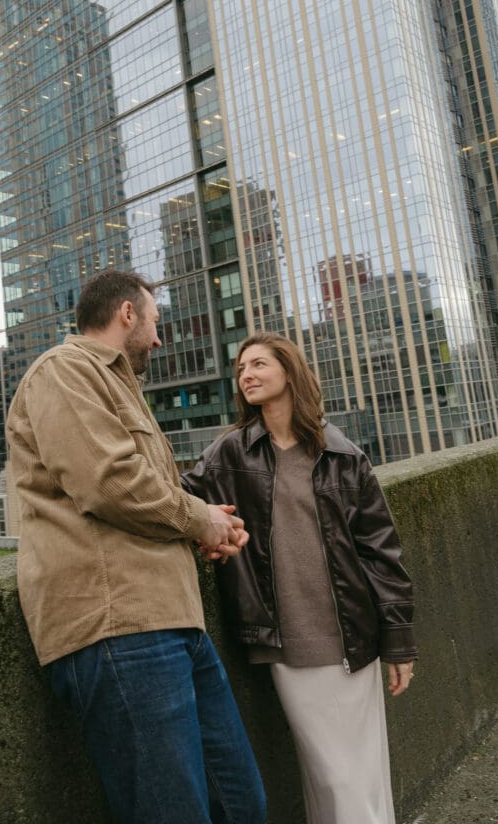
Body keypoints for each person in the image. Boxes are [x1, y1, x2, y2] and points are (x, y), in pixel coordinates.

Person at [6, 269, 266, 824]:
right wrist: (199, 520)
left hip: (173, 621)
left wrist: (203, 526)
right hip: (119, 629)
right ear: (127, 314)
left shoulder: (123, 390)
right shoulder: (64, 370)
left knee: (242, 803)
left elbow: (146, 496)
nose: (158, 338)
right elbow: (111, 483)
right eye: (154, 322)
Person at [182, 331, 417, 824]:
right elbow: (178, 496)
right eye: (242, 368)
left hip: (354, 637)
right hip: (287, 642)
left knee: (363, 772)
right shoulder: (230, 453)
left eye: (259, 364)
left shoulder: (343, 455)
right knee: (332, 774)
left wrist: (399, 642)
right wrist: (206, 522)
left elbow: (381, 553)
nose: (247, 374)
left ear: (289, 372)